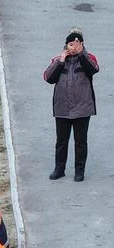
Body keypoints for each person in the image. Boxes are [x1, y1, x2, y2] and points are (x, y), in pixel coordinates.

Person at [44, 28, 99, 182]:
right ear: (66, 45)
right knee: (61, 141)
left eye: (76, 44)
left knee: (80, 142)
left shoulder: (89, 58)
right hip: (62, 107)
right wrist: (61, 61)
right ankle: (59, 169)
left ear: (82, 44)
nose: (73, 47)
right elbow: (48, 78)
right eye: (70, 44)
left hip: (82, 108)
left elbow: (93, 70)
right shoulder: (57, 59)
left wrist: (81, 54)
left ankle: (79, 171)